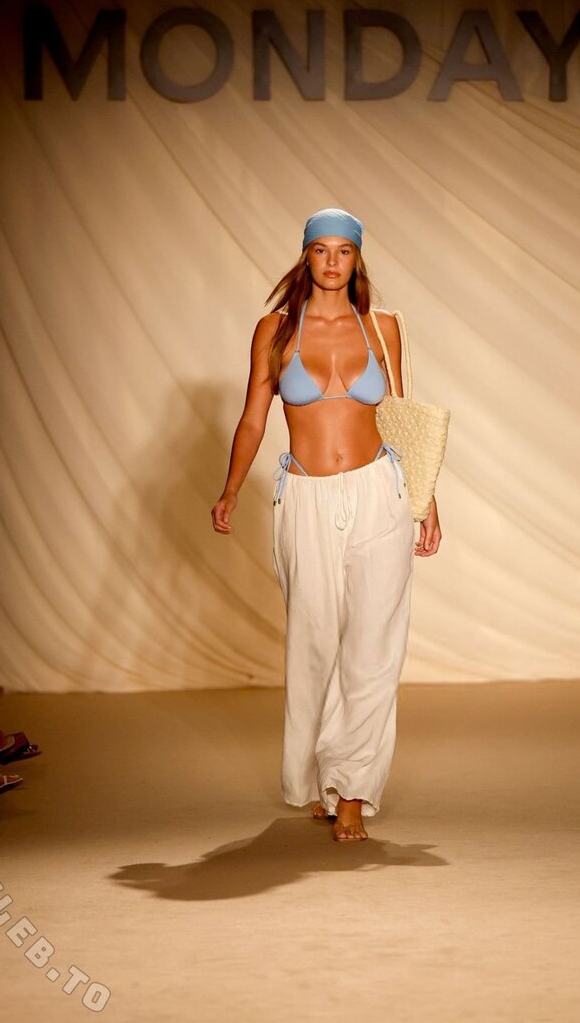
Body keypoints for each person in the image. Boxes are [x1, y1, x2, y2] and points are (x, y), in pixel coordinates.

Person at [211, 208, 441, 842]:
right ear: (306, 256)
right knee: (316, 644)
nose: (333, 261)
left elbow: (401, 416)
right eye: (322, 250)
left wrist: (427, 500)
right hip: (305, 500)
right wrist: (230, 489)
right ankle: (326, 775)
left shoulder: (382, 327)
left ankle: (352, 791)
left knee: (374, 643)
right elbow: (254, 416)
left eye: (344, 250)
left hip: (381, 491)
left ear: (357, 258)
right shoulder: (275, 329)